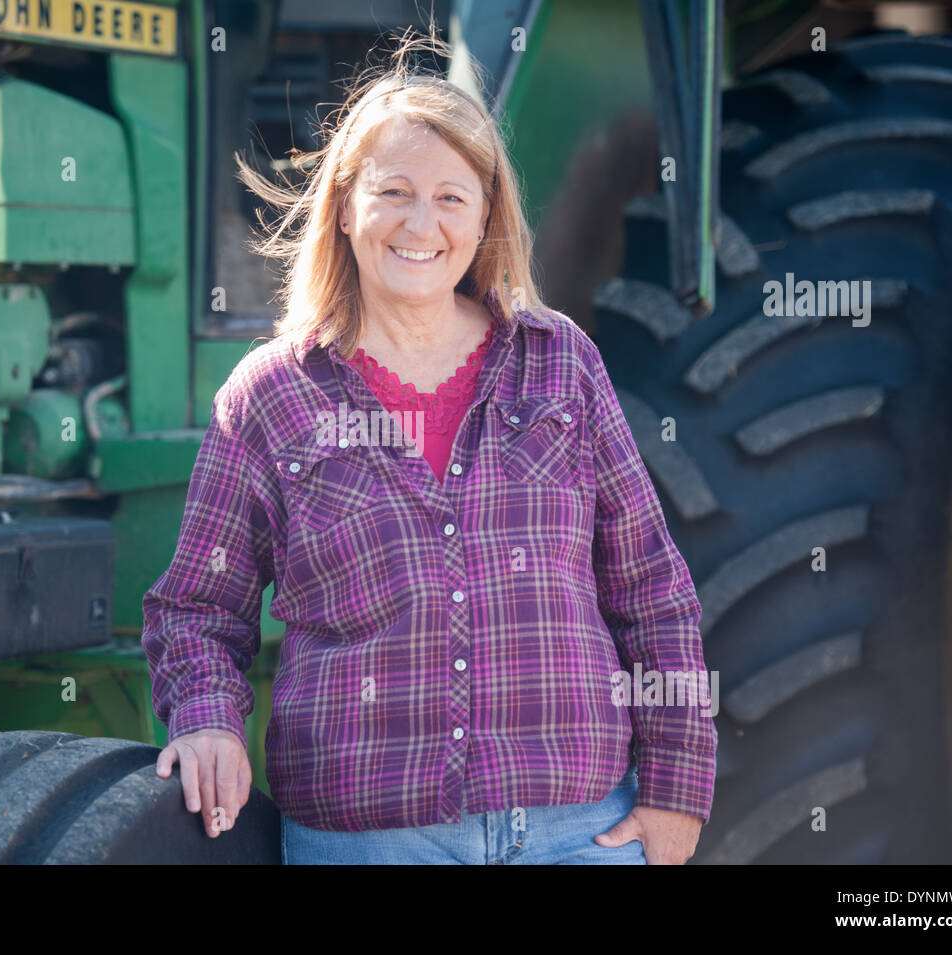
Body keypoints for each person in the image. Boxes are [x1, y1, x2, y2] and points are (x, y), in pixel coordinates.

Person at [142, 28, 716, 864]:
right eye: (395, 191)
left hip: (577, 831)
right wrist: (205, 719)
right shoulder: (270, 396)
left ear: (486, 217)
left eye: (453, 197)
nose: (424, 222)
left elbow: (652, 587)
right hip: (371, 840)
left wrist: (676, 787)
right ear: (345, 204)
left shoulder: (561, 363)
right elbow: (195, 608)